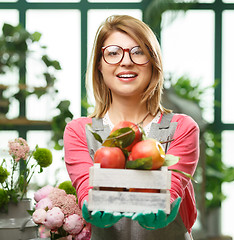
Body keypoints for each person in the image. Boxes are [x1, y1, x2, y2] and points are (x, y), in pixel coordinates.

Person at [64, 15, 199, 240]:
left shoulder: (181, 128)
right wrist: (90, 203)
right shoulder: (79, 131)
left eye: (138, 52)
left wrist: (165, 203)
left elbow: (172, 189)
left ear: (153, 62)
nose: (126, 61)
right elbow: (86, 188)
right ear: (99, 64)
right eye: (113, 53)